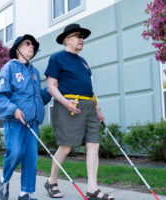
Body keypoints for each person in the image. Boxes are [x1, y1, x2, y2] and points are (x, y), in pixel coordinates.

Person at [44, 23, 115, 200]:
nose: (81, 39)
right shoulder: (57, 58)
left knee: (93, 145)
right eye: (78, 36)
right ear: (67, 39)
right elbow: (51, 87)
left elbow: (89, 88)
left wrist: (97, 108)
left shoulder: (83, 62)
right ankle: (51, 181)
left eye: (83, 36)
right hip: (69, 105)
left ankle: (92, 189)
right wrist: (65, 102)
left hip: (89, 107)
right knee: (66, 147)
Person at [0, 34, 52, 200]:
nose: (31, 47)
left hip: (32, 122)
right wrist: (13, 110)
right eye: (28, 44)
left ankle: (26, 193)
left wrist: (50, 88)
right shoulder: (9, 68)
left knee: (31, 158)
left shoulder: (34, 71)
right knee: (16, 153)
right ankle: (4, 180)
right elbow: (1, 96)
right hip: (16, 121)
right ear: (17, 48)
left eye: (33, 45)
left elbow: (39, 98)